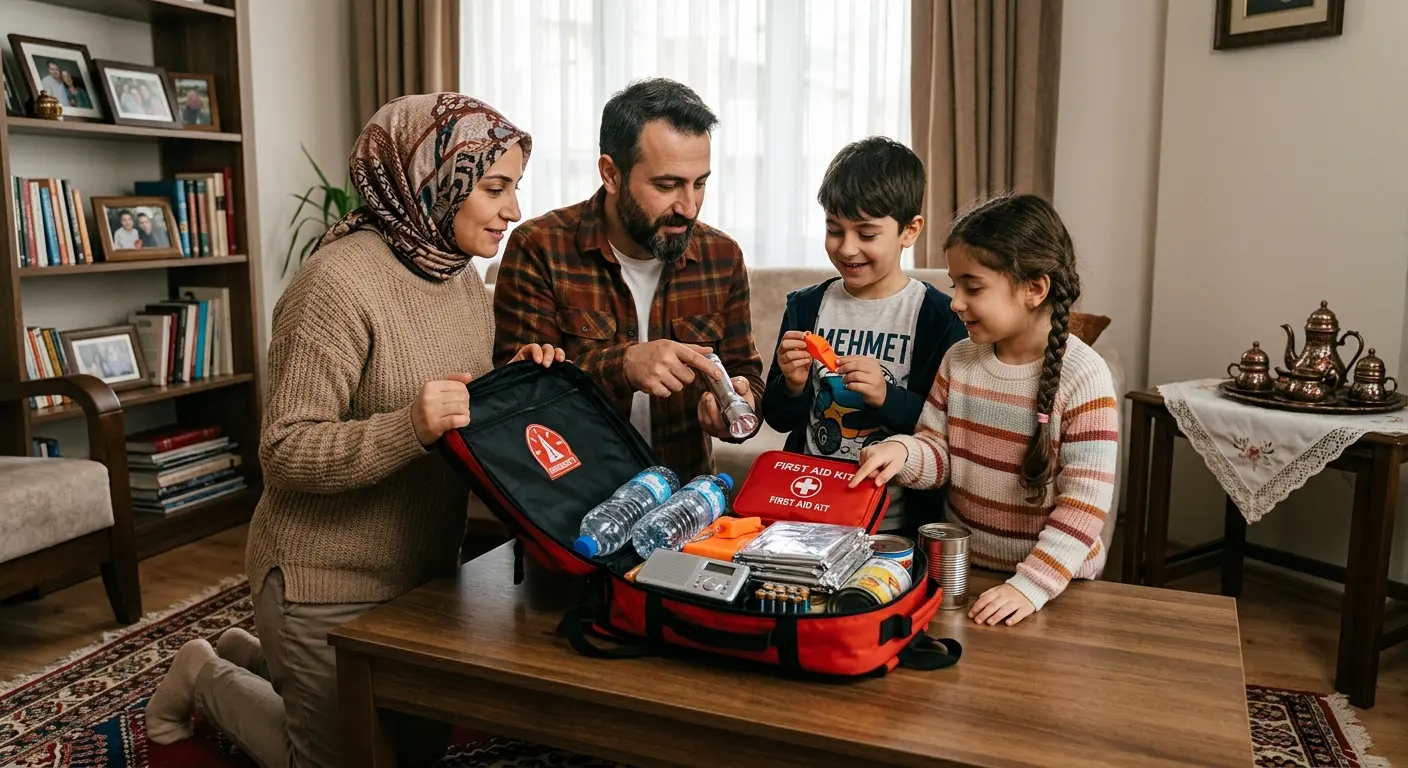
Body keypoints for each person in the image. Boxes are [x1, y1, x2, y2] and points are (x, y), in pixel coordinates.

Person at [143, 93, 562, 768]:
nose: (514, 210)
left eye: (515, 188)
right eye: (494, 188)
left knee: (410, 748)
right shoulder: (335, 286)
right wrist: (408, 427)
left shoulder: (458, 279)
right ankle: (204, 674)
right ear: (430, 180)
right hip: (325, 580)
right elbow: (284, 450)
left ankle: (255, 656)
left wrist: (518, 383)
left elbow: (453, 402)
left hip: (423, 574)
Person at [850, 193, 1118, 627]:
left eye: (972, 287)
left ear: (1034, 288)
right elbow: (937, 455)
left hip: (1056, 586)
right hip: (966, 573)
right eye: (955, 285)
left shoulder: (1085, 376)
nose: (955, 301)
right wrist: (901, 452)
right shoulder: (959, 359)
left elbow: (1084, 505)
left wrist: (1029, 586)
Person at [493, 77, 764, 481]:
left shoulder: (722, 257)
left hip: (685, 503)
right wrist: (621, 365)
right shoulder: (539, 248)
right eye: (667, 185)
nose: (689, 207)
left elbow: (748, 376)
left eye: (700, 183)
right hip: (574, 502)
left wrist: (738, 407)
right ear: (611, 174)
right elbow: (517, 399)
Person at [760, 137, 967, 535]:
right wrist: (792, 384)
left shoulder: (939, 317)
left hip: (895, 525)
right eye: (834, 229)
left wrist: (886, 397)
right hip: (809, 509)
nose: (847, 247)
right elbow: (780, 418)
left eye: (867, 234)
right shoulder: (806, 307)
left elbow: (945, 432)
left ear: (910, 231)